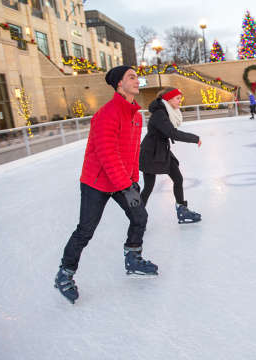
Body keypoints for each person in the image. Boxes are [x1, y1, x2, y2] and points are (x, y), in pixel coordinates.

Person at [54, 66, 157, 305]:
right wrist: (126, 185)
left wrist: (133, 181)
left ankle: (133, 258)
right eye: (131, 77)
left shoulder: (136, 115)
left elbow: (132, 153)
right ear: (119, 84)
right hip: (97, 182)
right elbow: (106, 154)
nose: (136, 80)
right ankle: (64, 273)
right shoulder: (107, 114)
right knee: (86, 230)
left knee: (139, 216)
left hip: (121, 179)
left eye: (136, 77)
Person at [139, 87, 202, 224]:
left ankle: (182, 210)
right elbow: (172, 133)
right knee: (148, 186)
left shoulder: (168, 111)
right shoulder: (160, 114)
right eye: (178, 98)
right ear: (168, 99)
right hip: (151, 152)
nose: (180, 101)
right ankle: (137, 217)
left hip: (162, 149)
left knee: (177, 178)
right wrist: (195, 138)